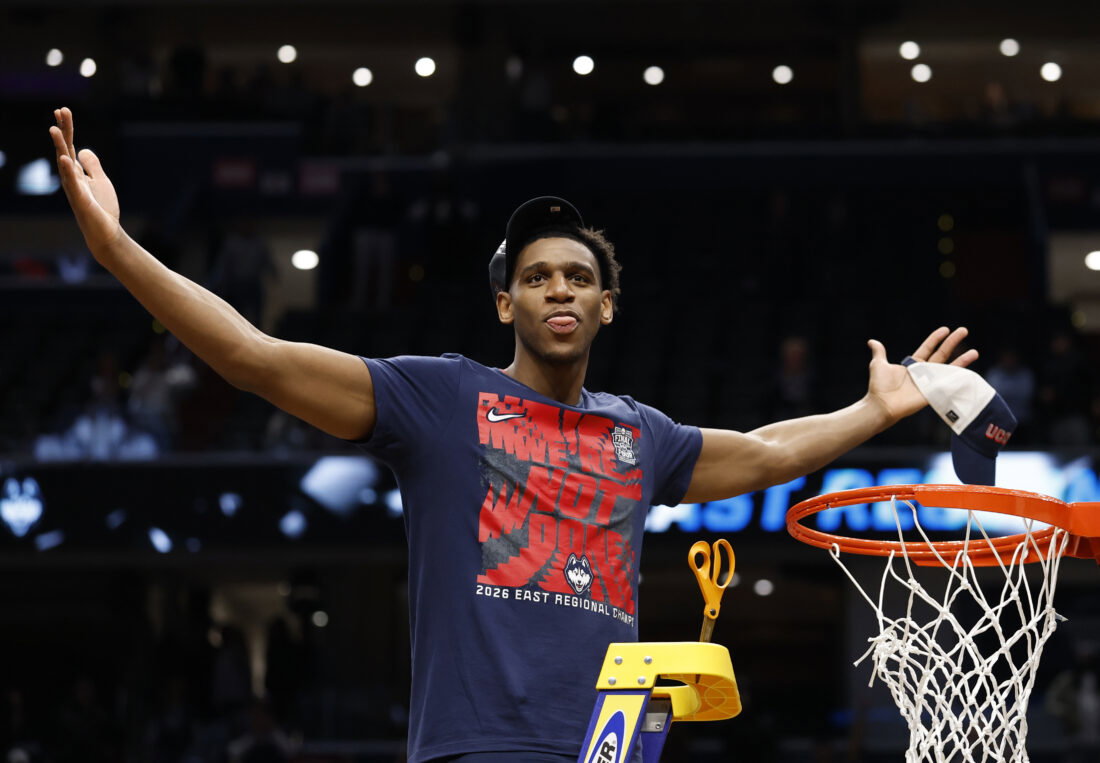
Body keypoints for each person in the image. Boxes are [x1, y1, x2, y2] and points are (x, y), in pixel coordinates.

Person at [49, 107, 978, 763]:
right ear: (507, 302)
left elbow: (768, 451)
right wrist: (119, 252)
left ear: (607, 306)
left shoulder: (639, 435)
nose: (559, 288)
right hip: (479, 745)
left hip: (611, 747)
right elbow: (257, 355)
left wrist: (872, 410)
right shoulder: (441, 400)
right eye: (536, 277)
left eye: (577, 276)